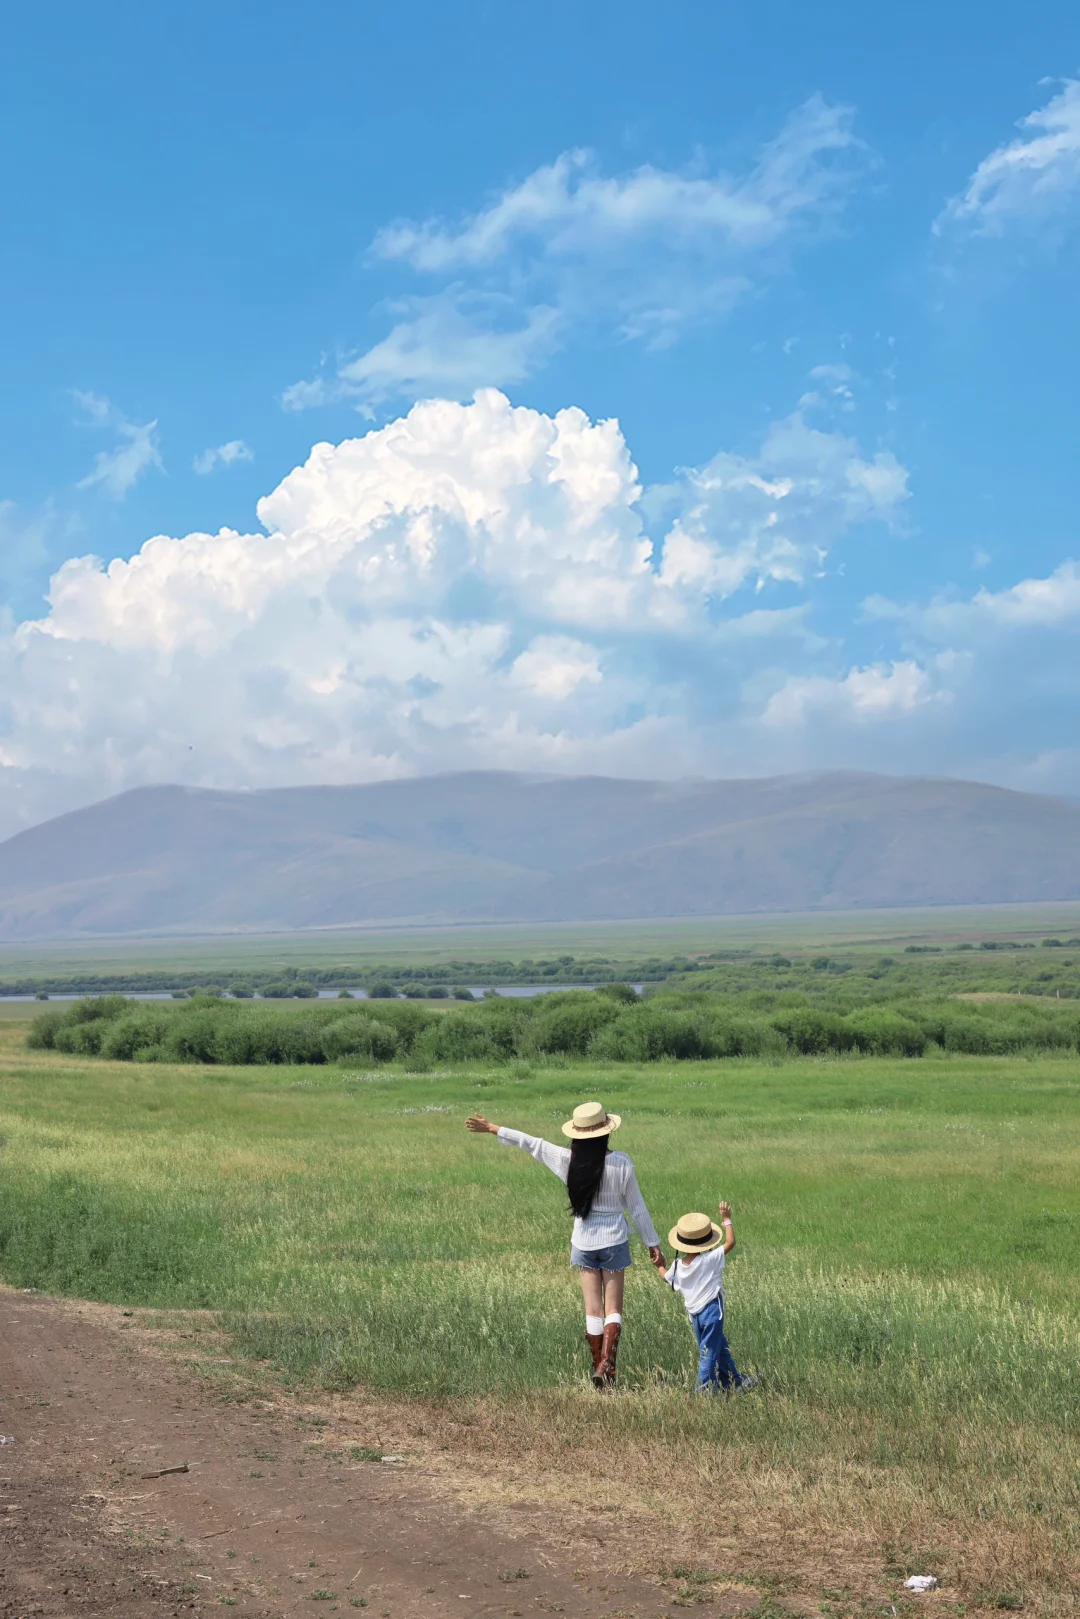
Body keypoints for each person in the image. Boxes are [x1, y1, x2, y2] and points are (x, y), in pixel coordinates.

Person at [466, 1101, 664, 1389]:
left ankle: (599, 1370)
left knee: (592, 1310)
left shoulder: (567, 1160)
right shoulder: (622, 1163)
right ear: (607, 1132)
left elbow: (530, 1143)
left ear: (577, 1134)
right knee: (613, 1310)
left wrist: (493, 1128)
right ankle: (607, 1366)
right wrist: (652, 1243)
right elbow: (637, 1209)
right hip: (614, 1241)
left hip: (583, 1242)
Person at [654, 1201, 754, 1394]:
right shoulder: (709, 1259)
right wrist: (727, 1219)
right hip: (712, 1312)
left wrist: (659, 1264)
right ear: (706, 1242)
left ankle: (733, 1382)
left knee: (719, 1346)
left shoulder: (677, 1265)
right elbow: (731, 1242)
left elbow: (666, 1278)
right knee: (708, 1352)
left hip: (695, 1315)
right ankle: (704, 1390)